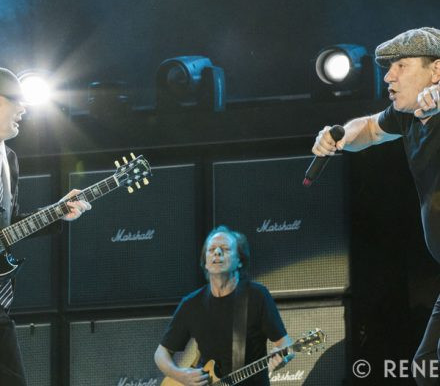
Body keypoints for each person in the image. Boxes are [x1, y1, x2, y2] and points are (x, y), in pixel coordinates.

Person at [311, 26, 440, 385]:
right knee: (428, 367)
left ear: (436, 70)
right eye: (388, 67)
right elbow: (367, 129)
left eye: (401, 65)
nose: (389, 76)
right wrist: (338, 137)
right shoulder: (406, 116)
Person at [0, 67, 92, 386]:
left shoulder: (8, 159)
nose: (24, 109)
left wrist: (56, 213)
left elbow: (8, 226)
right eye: (16, 101)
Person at [154, 225, 293, 386]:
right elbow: (161, 354)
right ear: (205, 262)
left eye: (225, 249)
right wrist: (180, 375)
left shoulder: (257, 296)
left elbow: (285, 345)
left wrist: (283, 357)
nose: (217, 252)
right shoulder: (191, 304)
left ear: (240, 261)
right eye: (211, 249)